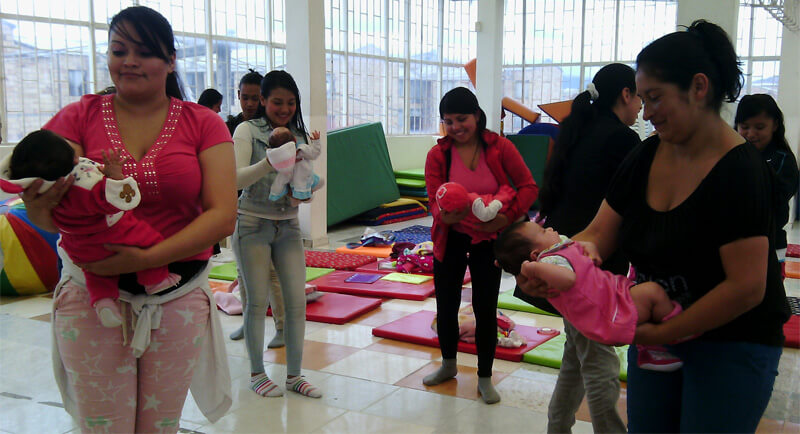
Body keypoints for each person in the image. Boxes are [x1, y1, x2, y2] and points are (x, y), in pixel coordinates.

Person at [518, 20, 789, 432]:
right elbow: (596, 236)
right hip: (657, 337)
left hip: (732, 341)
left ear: (699, 87)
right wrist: (563, 266)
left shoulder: (741, 172)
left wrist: (659, 333)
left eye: (656, 98)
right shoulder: (644, 157)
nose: (646, 113)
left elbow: (746, 287)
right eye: (642, 100)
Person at [19, 6, 237, 432]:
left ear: (171, 60)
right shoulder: (77, 116)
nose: (129, 61)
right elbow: (46, 213)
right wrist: (39, 202)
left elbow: (222, 216)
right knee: (103, 426)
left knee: (160, 426)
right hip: (91, 296)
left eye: (145, 52)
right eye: (119, 50)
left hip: (177, 295)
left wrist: (144, 258)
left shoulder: (204, 124)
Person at [516, 63, 642, 433]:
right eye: (640, 97)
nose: (642, 108)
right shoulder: (621, 139)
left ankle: (557, 427)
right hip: (589, 268)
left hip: (569, 261)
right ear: (625, 94)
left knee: (577, 355)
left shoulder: (578, 131)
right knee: (600, 366)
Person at [423, 87, 537, 404]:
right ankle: (448, 365)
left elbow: (528, 187)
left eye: (462, 119)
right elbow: (433, 199)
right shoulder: (438, 154)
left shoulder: (500, 148)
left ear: (477, 116)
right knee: (445, 305)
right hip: (450, 239)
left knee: (484, 309)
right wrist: (445, 216)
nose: (456, 127)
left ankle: (485, 377)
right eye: (448, 121)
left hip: (490, 240)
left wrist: (505, 219)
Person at [3, 131, 181, 327]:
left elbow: (51, 223)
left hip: (79, 248)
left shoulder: (48, 190)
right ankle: (155, 281)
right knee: (151, 240)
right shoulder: (85, 185)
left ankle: (104, 303)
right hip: (114, 235)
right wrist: (115, 176)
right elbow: (117, 201)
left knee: (96, 273)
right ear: (72, 159)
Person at [231, 69, 322, 398]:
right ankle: (257, 373)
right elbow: (235, 179)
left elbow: (304, 177)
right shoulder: (246, 130)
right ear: (263, 101)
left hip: (289, 225)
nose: (284, 109)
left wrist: (307, 192)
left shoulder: (298, 133)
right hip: (252, 224)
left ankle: (294, 375)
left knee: (296, 303)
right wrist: (270, 162)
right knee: (256, 304)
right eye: (277, 102)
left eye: (291, 103)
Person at [495, 222, 685, 359]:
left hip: (614, 299)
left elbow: (583, 244)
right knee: (653, 292)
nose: (551, 228)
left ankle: (656, 345)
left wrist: (590, 248)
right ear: (535, 255)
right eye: (544, 231)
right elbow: (568, 279)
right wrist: (533, 268)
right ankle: (672, 336)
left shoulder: (558, 251)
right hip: (609, 312)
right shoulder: (547, 263)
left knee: (650, 299)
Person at [226, 69, 285, 347]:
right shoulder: (236, 127)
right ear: (238, 96)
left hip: (271, 212)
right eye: (244, 97)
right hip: (240, 207)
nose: (249, 103)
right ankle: (250, 323)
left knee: (271, 274)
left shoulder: (274, 129)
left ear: (262, 99)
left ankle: (282, 327)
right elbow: (232, 174)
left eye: (254, 98)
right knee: (242, 271)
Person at [734, 94, 799, 267]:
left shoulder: (783, 159)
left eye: (760, 127)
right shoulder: (733, 157)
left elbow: (776, 197)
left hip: (771, 245)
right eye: (744, 127)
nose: (751, 134)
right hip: (735, 244)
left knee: (767, 291)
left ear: (775, 125)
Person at [434, 181, 516, 243]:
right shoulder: (456, 205)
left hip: (494, 205)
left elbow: (490, 212)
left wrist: (499, 200)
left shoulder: (480, 211)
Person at [264, 126, 324, 205]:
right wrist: (316, 142)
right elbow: (314, 154)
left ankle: (300, 197)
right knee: (320, 182)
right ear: (295, 140)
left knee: (282, 184)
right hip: (304, 180)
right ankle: (304, 197)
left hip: (293, 181)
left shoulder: (275, 156)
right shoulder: (301, 149)